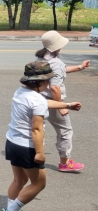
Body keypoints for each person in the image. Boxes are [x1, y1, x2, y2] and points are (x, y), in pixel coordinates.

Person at [1, 61, 82, 211]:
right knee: (39, 183)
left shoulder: (21, 92)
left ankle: (12, 210)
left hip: (13, 142)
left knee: (20, 179)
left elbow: (44, 103)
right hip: (27, 147)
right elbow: (37, 129)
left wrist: (67, 105)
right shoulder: (36, 99)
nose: (49, 83)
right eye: (47, 80)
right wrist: (40, 152)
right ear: (39, 81)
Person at [35, 30, 90, 172]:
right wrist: (62, 106)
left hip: (37, 99)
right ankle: (64, 163)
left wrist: (79, 67)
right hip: (52, 101)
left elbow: (61, 70)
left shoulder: (40, 58)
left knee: (39, 129)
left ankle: (35, 159)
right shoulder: (56, 62)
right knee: (65, 131)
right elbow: (55, 88)